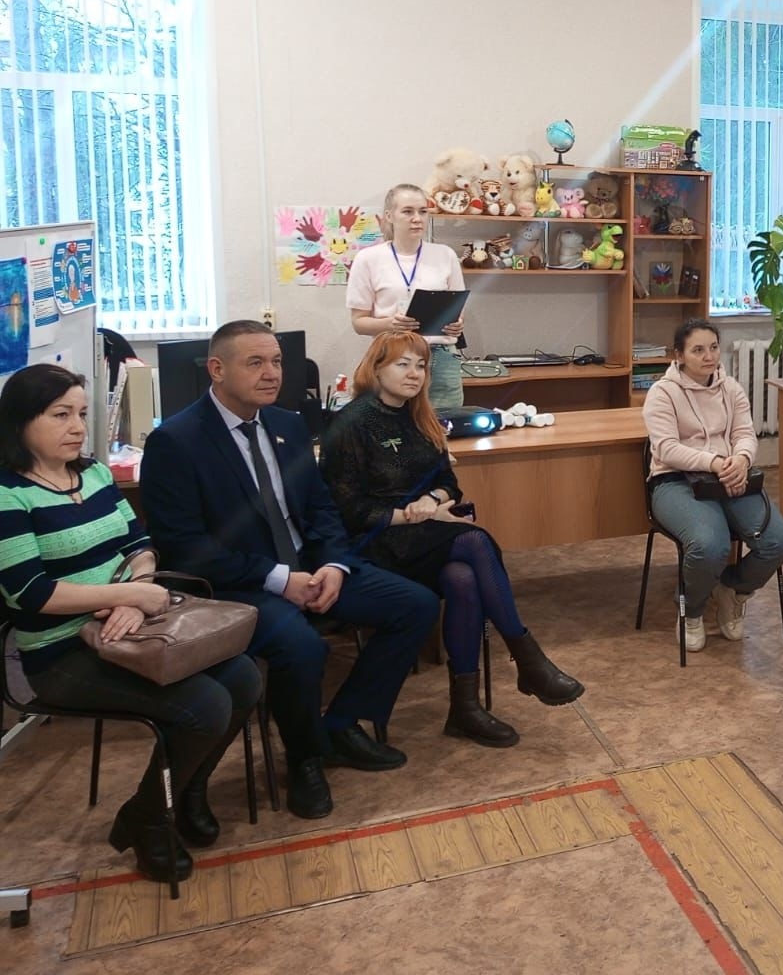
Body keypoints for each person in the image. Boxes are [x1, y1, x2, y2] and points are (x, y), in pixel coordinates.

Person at [140, 321, 438, 821]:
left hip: (311, 568)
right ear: (216, 370)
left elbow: (320, 508)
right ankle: (305, 759)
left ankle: (341, 725)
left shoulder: (289, 425)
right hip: (239, 584)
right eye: (255, 363)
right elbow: (185, 550)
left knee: (416, 605)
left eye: (276, 362)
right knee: (301, 647)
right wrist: (280, 580)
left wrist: (334, 564)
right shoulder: (176, 440)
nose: (272, 373)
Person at [0, 364, 262, 884]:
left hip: (130, 629)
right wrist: (128, 594)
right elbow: (31, 593)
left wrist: (136, 599)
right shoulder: (9, 495)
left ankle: (183, 791)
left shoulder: (94, 474)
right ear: (21, 422)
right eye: (60, 415)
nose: (78, 427)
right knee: (205, 707)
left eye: (81, 413)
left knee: (244, 678)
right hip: (59, 654)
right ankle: (148, 819)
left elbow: (140, 545)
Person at [319, 331, 584, 745]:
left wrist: (432, 499)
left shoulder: (421, 415)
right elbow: (346, 509)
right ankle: (526, 658)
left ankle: (466, 708)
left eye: (421, 365)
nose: (414, 374)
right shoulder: (351, 422)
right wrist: (409, 515)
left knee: (462, 577)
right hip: (374, 544)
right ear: (376, 369)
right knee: (474, 541)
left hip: (422, 537)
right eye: (402, 364)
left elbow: (448, 482)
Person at [644, 319, 783, 653]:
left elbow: (745, 433)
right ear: (679, 355)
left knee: (778, 542)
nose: (709, 356)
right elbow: (666, 449)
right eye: (698, 350)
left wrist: (741, 459)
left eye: (713, 348)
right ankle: (692, 611)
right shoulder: (662, 393)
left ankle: (732, 590)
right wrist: (713, 461)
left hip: (728, 475)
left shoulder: (731, 388)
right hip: (674, 481)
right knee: (710, 545)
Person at [346, 182, 467, 409]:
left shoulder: (445, 255)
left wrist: (456, 325)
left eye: (423, 211)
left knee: (446, 424)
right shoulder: (368, 259)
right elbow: (359, 323)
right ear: (389, 216)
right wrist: (390, 324)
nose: (417, 219)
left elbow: (458, 311)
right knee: (392, 423)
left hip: (440, 356)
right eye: (408, 211)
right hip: (393, 354)